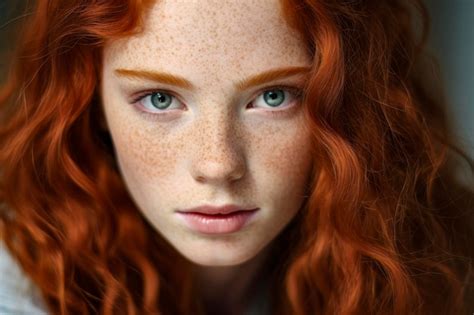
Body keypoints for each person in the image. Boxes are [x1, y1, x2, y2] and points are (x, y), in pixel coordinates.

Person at [0, 0, 473, 314]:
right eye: (160, 99)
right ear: (92, 102)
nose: (218, 164)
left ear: (348, 105)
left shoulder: (441, 268)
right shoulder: (15, 287)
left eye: (273, 97)